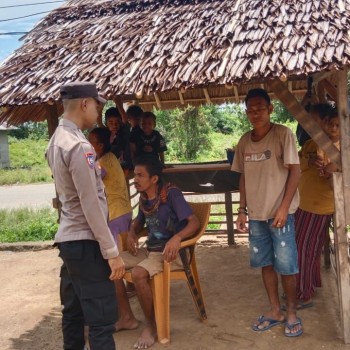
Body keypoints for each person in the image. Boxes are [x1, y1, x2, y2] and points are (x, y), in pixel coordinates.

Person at [46, 81, 125, 350]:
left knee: (74, 314)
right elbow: (90, 204)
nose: (98, 111)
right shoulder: (80, 147)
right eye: (96, 105)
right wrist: (111, 251)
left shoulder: (56, 141)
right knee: (102, 321)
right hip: (86, 242)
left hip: (70, 241)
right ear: (84, 104)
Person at [232, 88, 302, 337]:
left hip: (280, 214)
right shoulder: (243, 141)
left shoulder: (283, 135)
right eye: (251, 110)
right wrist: (242, 210)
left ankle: (292, 312)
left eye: (260, 108)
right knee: (266, 264)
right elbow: (242, 177)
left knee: (287, 265)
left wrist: (284, 207)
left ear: (270, 109)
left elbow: (295, 171)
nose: (255, 113)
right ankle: (275, 311)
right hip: (257, 216)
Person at [114, 155, 199, 348]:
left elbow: (194, 222)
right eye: (135, 175)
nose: (135, 179)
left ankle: (151, 326)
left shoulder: (171, 194)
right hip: (151, 251)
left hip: (171, 255)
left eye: (140, 175)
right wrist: (133, 232)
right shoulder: (144, 196)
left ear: (154, 179)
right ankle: (127, 316)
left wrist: (177, 238)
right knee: (113, 263)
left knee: (138, 274)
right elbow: (139, 221)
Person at [295, 106, 340, 308]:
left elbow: (338, 182)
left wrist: (332, 170)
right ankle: (310, 284)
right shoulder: (310, 145)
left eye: (312, 122)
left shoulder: (339, 150)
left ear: (326, 122)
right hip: (304, 203)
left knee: (303, 249)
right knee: (308, 249)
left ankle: (303, 293)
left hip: (318, 206)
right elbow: (298, 162)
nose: (308, 126)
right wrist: (309, 159)